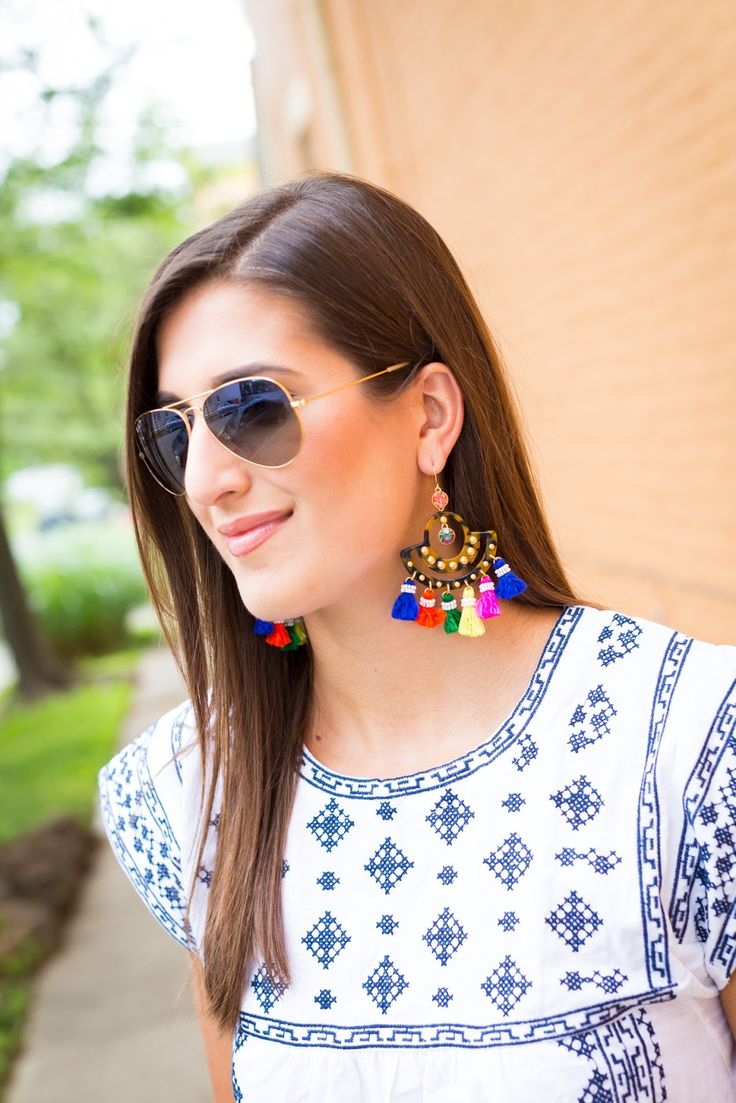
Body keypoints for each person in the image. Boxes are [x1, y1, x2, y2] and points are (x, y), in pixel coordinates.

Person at [97, 170, 736, 1102]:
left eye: (252, 409)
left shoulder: (687, 744)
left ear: (430, 415)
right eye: (175, 432)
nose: (205, 480)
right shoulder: (196, 793)